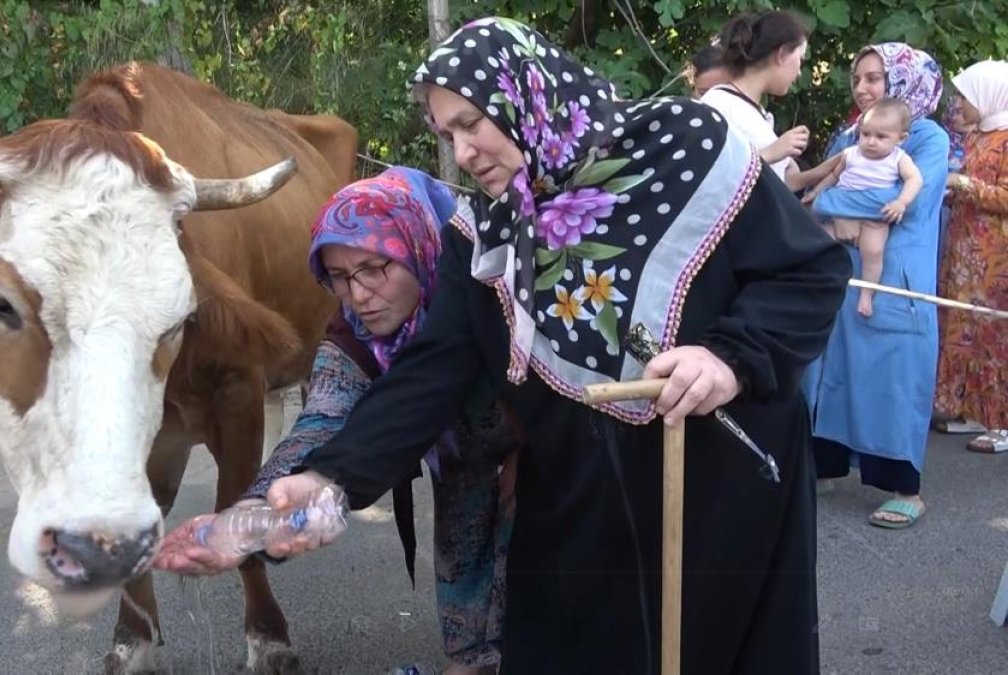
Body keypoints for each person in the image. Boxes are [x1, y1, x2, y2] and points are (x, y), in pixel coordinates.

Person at [254, 17, 850, 674]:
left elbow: (808, 271)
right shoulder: (481, 239)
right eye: (447, 132)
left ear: (529, 92)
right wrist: (326, 477)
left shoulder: (686, 147)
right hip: (580, 503)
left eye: (473, 121)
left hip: (720, 483)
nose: (465, 149)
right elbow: (428, 376)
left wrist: (729, 356)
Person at [154, 167, 518, 675]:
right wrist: (252, 516)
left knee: (547, 584)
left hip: (549, 460)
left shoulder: (500, 292)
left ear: (418, 247)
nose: (360, 294)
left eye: (375, 268)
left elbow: (568, 394)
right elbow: (321, 422)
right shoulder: (352, 333)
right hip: (461, 464)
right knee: (462, 561)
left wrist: (533, 453)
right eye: (340, 277)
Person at [802, 43, 949, 529]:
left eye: (874, 79)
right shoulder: (852, 132)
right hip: (841, 273)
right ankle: (824, 467)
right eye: (857, 79)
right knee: (834, 369)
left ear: (902, 82)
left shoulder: (927, 137)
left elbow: (904, 200)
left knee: (892, 375)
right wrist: (832, 208)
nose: (862, 89)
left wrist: (840, 207)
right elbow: (817, 199)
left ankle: (907, 488)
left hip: (895, 278)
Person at [933, 60, 1008, 453]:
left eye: (966, 94)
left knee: (996, 332)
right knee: (968, 328)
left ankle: (1003, 421)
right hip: (966, 249)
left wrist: (962, 183)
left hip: (997, 256)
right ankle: (974, 410)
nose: (960, 102)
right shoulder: (982, 134)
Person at [803, 99, 923, 317]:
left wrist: (901, 202)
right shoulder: (851, 153)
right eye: (866, 134)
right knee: (819, 240)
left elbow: (914, 179)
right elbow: (833, 175)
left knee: (873, 252)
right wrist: (817, 191)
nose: (870, 142)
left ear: (901, 139)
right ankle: (811, 280)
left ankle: (866, 294)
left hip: (873, 220)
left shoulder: (899, 158)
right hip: (841, 212)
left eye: (881, 137)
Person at [699, 11, 833, 191]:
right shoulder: (719, 102)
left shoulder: (755, 112)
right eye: (799, 59)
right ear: (782, 54)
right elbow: (707, 173)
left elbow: (783, 182)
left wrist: (834, 165)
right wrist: (772, 152)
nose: (799, 72)